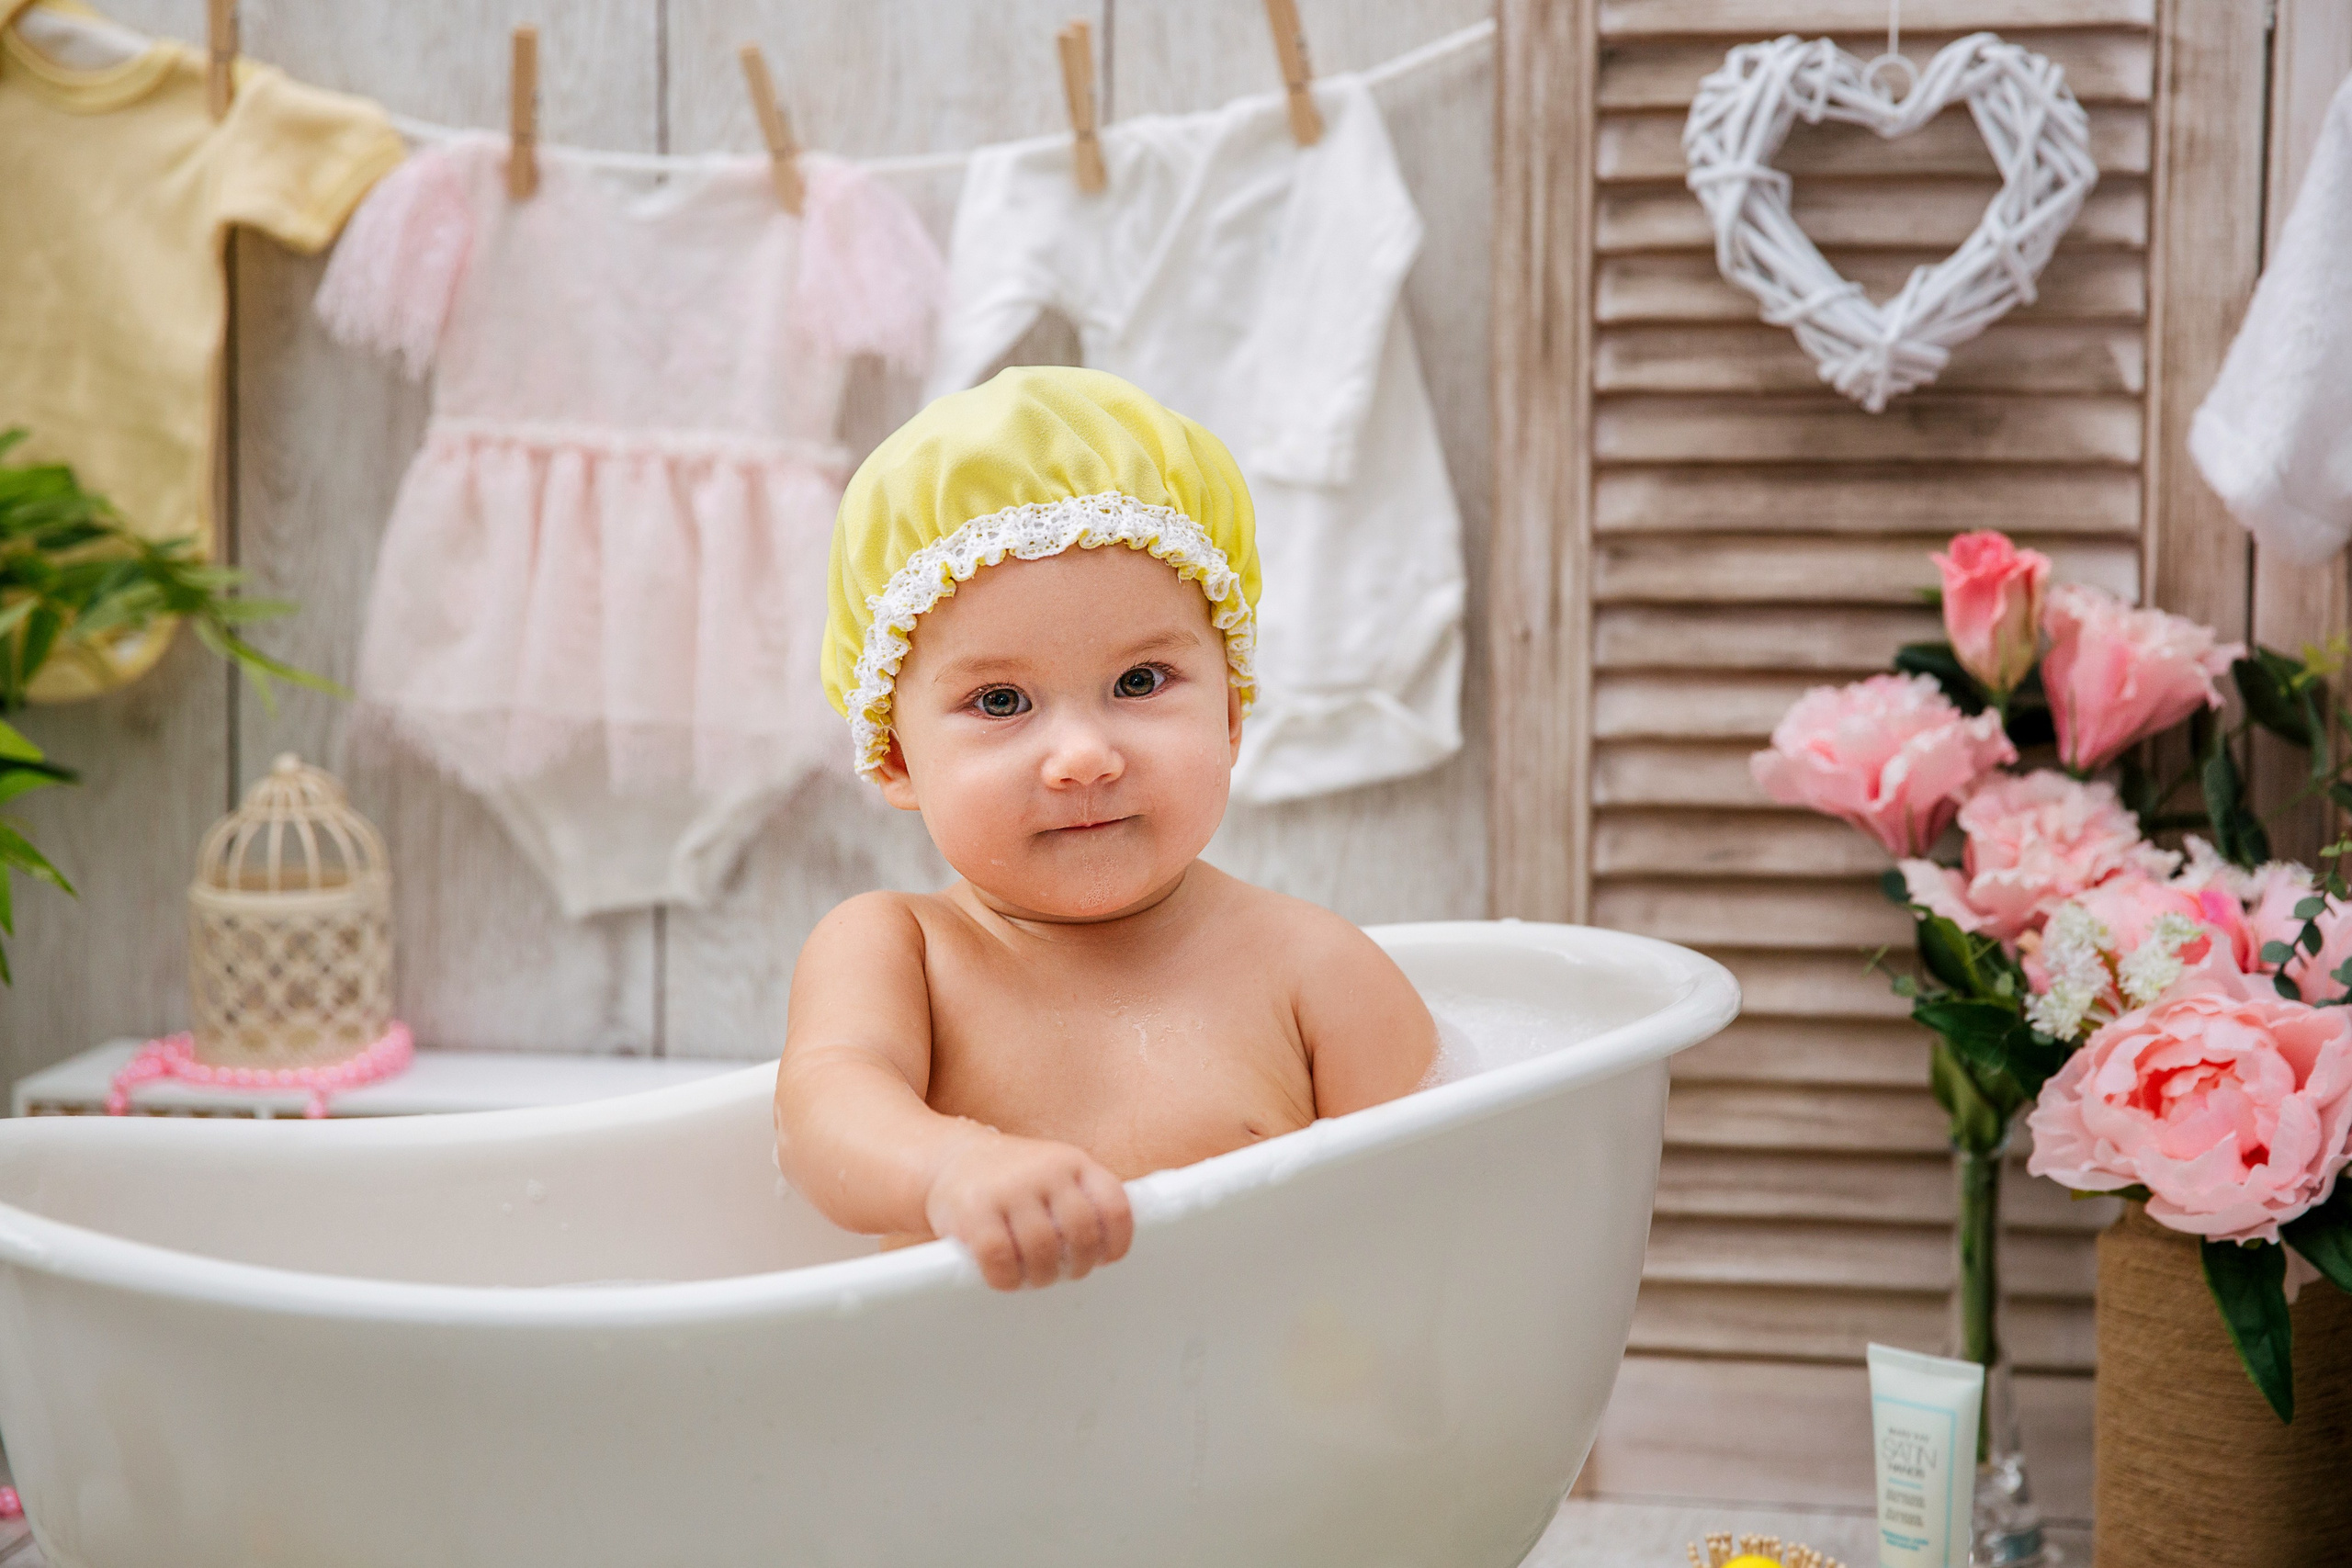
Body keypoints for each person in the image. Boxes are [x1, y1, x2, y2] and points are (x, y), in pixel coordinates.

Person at [774, 366, 1437, 1292]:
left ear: (1234, 715)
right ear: (892, 758)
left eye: (1139, 683)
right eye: (1000, 701)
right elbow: (820, 1121)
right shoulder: (898, 953)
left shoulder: (1317, 974)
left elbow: (1434, 1237)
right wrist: (951, 1168)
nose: (1083, 756)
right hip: (967, 1425)